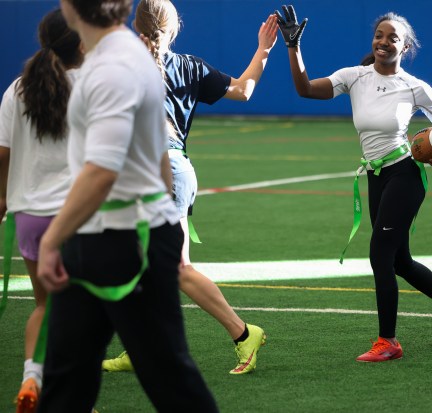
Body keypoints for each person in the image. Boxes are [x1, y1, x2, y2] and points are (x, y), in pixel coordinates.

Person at [36, 0, 218, 411]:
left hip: (123, 241)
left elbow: (102, 169)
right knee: (66, 377)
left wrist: (52, 239)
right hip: (110, 237)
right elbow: (155, 157)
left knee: (169, 377)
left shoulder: (113, 67)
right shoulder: (127, 59)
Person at [276, 5, 432, 362]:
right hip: (376, 176)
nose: (384, 41)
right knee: (400, 261)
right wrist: (293, 46)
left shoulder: (415, 87)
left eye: (393, 38)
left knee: (380, 254)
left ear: (405, 46)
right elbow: (305, 89)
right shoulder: (355, 76)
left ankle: (388, 341)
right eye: (379, 35)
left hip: (405, 174)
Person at [101, 0, 277, 375]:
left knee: (177, 267)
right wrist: (263, 49)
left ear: (136, 25)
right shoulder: (189, 66)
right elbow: (244, 91)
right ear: (174, 28)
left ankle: (244, 333)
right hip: (168, 169)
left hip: (154, 170)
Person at [0, 8, 82, 412]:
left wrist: (2, 198)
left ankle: (32, 378)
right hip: (79, 218)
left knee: (44, 306)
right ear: (81, 41)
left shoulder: (17, 90)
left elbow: (3, 154)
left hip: (29, 218)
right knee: (82, 313)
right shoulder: (92, 86)